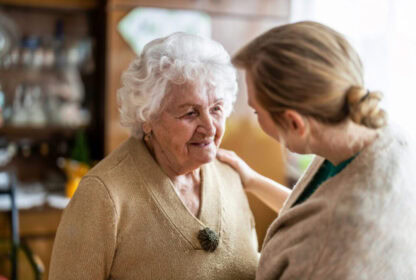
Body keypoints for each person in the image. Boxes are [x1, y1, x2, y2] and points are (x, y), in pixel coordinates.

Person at [49, 32, 259, 280]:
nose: (210, 128)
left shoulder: (230, 176)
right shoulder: (103, 195)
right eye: (190, 113)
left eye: (216, 109)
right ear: (147, 118)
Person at [217, 21, 416, 279]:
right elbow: (310, 213)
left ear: (294, 122)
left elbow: (325, 230)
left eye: (256, 111)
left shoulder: (341, 243)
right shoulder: (373, 133)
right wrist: (252, 180)